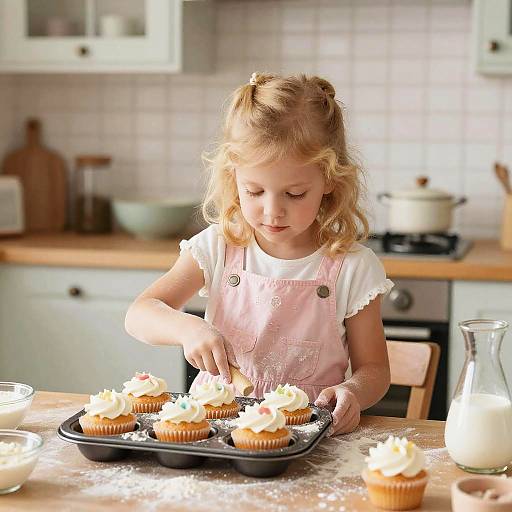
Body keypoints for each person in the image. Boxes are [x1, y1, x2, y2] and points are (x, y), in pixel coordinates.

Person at [125, 72, 393, 435]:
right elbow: (139, 314)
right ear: (233, 177)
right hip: (213, 430)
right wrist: (187, 328)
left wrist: (353, 392)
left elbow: (374, 369)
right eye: (254, 191)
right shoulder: (219, 247)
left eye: (294, 194)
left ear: (330, 179)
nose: (272, 211)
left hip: (306, 434)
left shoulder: (352, 267)